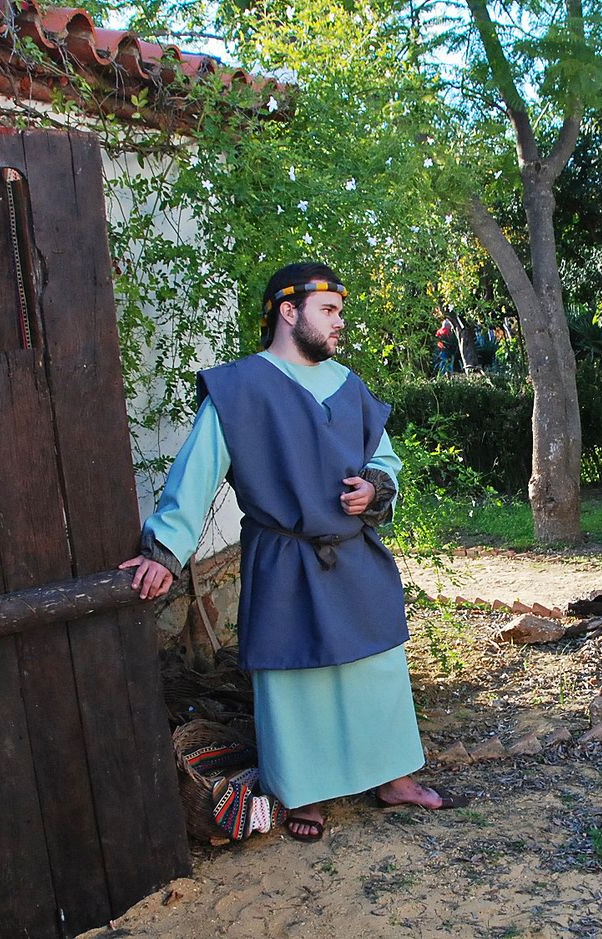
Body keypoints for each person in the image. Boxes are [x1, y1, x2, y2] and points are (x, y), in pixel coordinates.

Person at [121, 262, 463, 843]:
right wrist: (163, 551)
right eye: (329, 310)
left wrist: (375, 487)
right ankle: (303, 792)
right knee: (294, 676)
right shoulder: (241, 389)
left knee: (375, 666)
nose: (340, 323)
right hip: (282, 557)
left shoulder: (349, 386)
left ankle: (394, 778)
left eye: (340, 313)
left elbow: (385, 459)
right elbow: (196, 476)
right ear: (288, 310)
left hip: (353, 554)